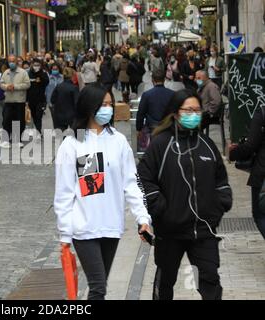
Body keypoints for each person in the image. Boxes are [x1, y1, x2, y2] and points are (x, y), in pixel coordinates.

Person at [54, 84, 152, 300]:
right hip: (84, 228)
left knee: (100, 285)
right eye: (102, 105)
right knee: (98, 287)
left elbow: (131, 182)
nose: (107, 109)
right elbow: (64, 193)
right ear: (89, 107)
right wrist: (64, 233)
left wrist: (142, 217)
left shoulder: (118, 141)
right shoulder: (72, 144)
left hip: (111, 227)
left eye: (110, 104)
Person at [137, 89, 232, 300]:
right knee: (165, 282)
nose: (193, 114)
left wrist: (221, 202)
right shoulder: (162, 144)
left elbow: (221, 179)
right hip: (170, 231)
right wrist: (158, 206)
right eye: (188, 110)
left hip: (203, 231)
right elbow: (143, 177)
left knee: (209, 281)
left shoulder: (207, 145)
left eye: (197, 110)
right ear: (176, 112)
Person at [229, 107, 265, 240]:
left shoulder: (262, 114)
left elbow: (250, 146)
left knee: (260, 214)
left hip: (263, 174)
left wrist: (232, 153)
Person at [0, 54, 31, 148]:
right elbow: (1, 84)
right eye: (10, 61)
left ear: (17, 62)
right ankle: (5, 140)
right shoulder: (6, 72)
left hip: (19, 100)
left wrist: (15, 87)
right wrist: (6, 87)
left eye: (13, 61)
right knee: (6, 120)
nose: (11, 63)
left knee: (18, 120)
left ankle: (17, 140)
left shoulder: (23, 72)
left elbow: (27, 84)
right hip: (8, 100)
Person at [136, 70, 175, 135]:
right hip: (168, 127)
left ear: (152, 80)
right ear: (164, 80)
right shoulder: (172, 94)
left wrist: (139, 128)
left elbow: (141, 113)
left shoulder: (146, 95)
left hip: (152, 128)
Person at [26, 59, 49, 137]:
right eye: (35, 65)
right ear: (32, 65)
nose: (36, 67)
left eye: (38, 65)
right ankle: (37, 130)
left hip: (41, 100)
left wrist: (40, 74)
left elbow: (46, 82)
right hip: (31, 99)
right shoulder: (28, 74)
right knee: (34, 116)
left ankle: (38, 132)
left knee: (39, 116)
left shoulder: (43, 73)